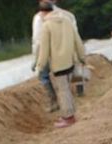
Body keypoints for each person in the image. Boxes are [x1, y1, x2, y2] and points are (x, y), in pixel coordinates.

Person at [35, 0, 85, 128]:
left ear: (42, 12)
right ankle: (70, 113)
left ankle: (68, 118)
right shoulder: (67, 20)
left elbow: (44, 50)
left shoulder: (47, 26)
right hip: (69, 61)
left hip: (58, 64)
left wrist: (39, 67)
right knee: (67, 88)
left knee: (63, 91)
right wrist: (82, 57)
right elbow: (77, 40)